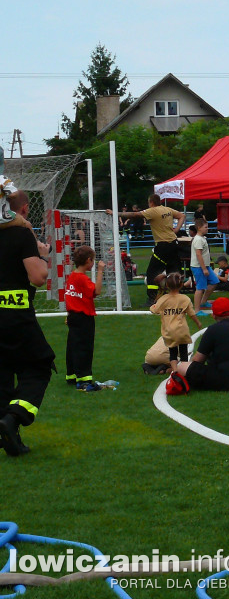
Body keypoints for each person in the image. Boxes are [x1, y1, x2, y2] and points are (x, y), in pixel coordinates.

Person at [0, 191, 54, 457]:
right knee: (38, 366)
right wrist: (42, 254)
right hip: (15, 313)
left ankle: (10, 439)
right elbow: (38, 278)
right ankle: (14, 418)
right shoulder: (21, 235)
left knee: (2, 374)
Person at [111, 193, 185, 305]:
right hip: (174, 244)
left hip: (163, 245)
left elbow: (134, 214)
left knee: (152, 272)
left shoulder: (153, 211)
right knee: (173, 271)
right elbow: (181, 216)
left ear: (151, 202)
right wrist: (176, 229)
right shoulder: (167, 209)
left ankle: (152, 298)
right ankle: (175, 298)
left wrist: (116, 213)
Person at [64, 245, 105, 391]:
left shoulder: (72, 276)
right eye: (93, 260)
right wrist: (100, 271)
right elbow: (97, 291)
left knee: (73, 346)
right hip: (83, 317)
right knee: (84, 346)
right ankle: (84, 379)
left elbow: (72, 296)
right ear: (88, 260)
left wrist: (69, 314)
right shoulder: (81, 278)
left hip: (73, 315)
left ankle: (72, 375)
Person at [150, 272, 203, 373]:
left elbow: (155, 310)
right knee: (183, 352)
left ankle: (175, 371)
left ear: (167, 285)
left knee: (173, 353)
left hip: (169, 331)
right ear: (181, 284)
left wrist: (152, 306)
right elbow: (192, 314)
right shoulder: (185, 299)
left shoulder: (163, 299)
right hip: (182, 330)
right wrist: (198, 323)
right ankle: (184, 370)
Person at [190, 217, 219, 311]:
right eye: (205, 227)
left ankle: (203, 302)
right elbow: (198, 254)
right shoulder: (198, 239)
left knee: (214, 282)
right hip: (199, 267)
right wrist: (204, 269)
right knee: (200, 288)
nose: (207, 229)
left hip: (204, 266)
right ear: (199, 228)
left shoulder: (202, 238)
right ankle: (197, 310)